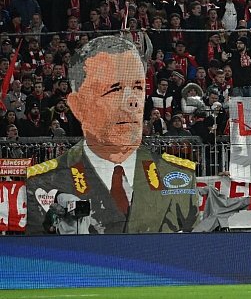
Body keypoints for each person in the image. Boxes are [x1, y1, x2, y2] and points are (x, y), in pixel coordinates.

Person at [24, 36, 199, 234]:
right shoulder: (45, 181)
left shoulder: (180, 176)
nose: (132, 101)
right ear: (79, 105)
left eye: (138, 87)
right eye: (115, 89)